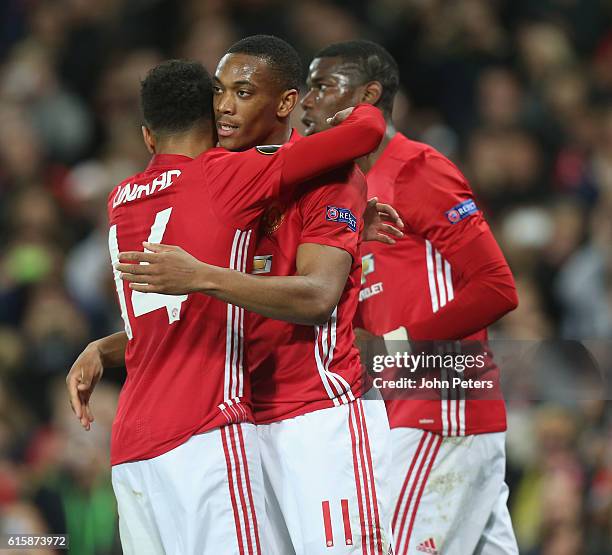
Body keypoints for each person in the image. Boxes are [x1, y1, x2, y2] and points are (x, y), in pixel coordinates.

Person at [79, 55, 386, 555]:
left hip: (307, 415)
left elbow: (316, 297)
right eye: (219, 92)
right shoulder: (222, 176)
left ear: (147, 137)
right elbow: (364, 133)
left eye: (241, 93)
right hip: (220, 426)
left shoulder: (121, 197)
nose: (225, 105)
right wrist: (362, 112)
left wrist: (107, 346)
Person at [300, 40, 520, 555]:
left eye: (323, 86)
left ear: (368, 96)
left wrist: (392, 346)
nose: (308, 102)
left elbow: (496, 287)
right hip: (415, 413)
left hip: (440, 406)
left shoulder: (417, 169)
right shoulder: (348, 191)